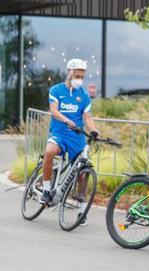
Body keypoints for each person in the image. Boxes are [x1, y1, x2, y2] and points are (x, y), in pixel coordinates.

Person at [41, 58, 100, 225]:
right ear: (69, 73)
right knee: (50, 152)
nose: (79, 79)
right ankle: (46, 189)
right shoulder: (56, 90)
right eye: (77, 75)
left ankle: (81, 212)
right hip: (59, 133)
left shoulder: (84, 96)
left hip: (77, 137)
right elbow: (53, 110)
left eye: (82, 76)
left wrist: (94, 129)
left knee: (84, 172)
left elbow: (88, 118)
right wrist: (66, 120)